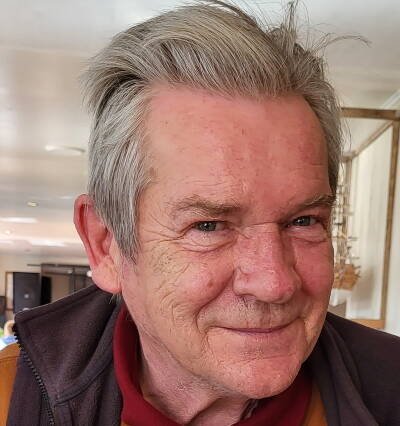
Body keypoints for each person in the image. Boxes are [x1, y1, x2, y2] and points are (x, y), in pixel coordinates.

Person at [1, 1, 400, 425]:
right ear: (106, 245)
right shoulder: (10, 398)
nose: (274, 284)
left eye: (304, 221)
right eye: (208, 226)